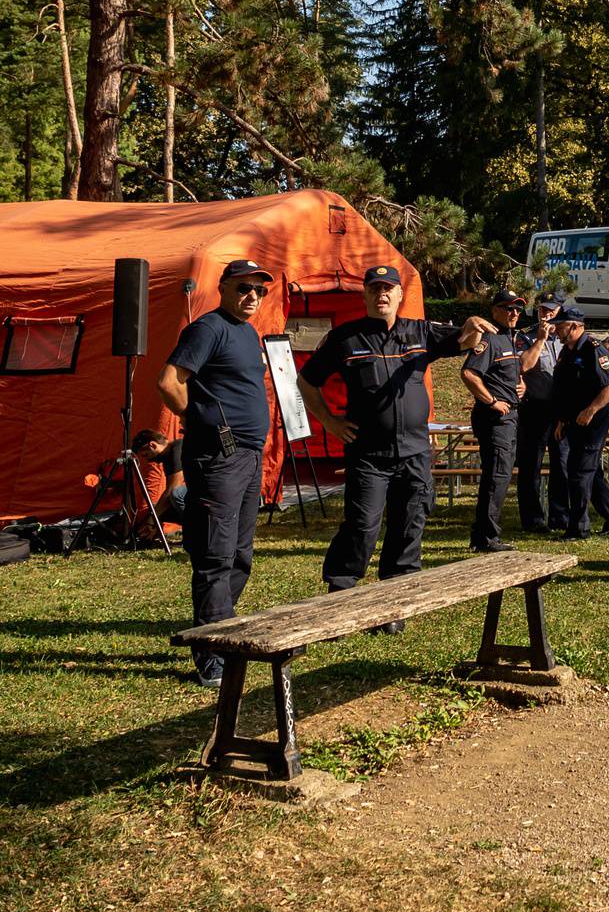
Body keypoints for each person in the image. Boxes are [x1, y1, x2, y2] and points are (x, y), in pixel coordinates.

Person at [300, 266, 491, 619]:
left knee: (409, 524)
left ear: (401, 295)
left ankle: (396, 602)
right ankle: (340, 593)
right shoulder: (346, 339)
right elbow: (307, 381)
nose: (381, 294)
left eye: (389, 288)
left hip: (414, 452)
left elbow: (463, 338)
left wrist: (473, 323)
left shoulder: (420, 332)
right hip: (369, 454)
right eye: (374, 289)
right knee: (362, 525)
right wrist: (328, 421)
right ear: (365, 295)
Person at [158, 258, 275, 686]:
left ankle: (223, 633)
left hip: (247, 455)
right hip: (218, 458)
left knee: (241, 553)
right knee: (215, 554)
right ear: (223, 287)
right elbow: (169, 381)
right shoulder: (208, 328)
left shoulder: (246, 332)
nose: (252, 296)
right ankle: (211, 654)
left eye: (259, 290)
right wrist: (200, 419)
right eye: (244, 287)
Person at [460, 288, 529, 552]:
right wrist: (491, 401)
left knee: (500, 475)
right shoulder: (489, 339)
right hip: (495, 419)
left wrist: (520, 385)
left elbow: (507, 373)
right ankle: (486, 538)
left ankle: (483, 534)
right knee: (497, 476)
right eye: (509, 308)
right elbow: (469, 373)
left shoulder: (509, 338)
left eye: (518, 309)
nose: (514, 313)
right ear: (495, 311)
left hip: (510, 416)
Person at [552, 306, 609, 538]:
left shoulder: (595, 349)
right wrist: (563, 420)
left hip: (593, 422)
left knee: (580, 472)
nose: (557, 331)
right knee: (590, 473)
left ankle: (578, 527)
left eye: (561, 326)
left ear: (574, 326)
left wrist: (591, 410)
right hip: (573, 422)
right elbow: (565, 390)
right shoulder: (566, 352)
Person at [513, 294, 566, 534]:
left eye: (552, 310)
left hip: (561, 410)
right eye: (543, 309)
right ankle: (533, 519)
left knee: (561, 464)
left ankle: (560, 516)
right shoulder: (525, 337)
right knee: (531, 465)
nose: (547, 314)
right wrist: (541, 340)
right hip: (535, 408)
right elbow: (523, 365)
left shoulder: (567, 338)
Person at [133, 428, 186, 519]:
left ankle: (200, 529)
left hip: (210, 492)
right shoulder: (167, 458)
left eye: (146, 455)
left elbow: (173, 488)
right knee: (153, 508)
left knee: (176, 495)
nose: (148, 460)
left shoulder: (177, 448)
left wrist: (153, 519)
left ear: (152, 445)